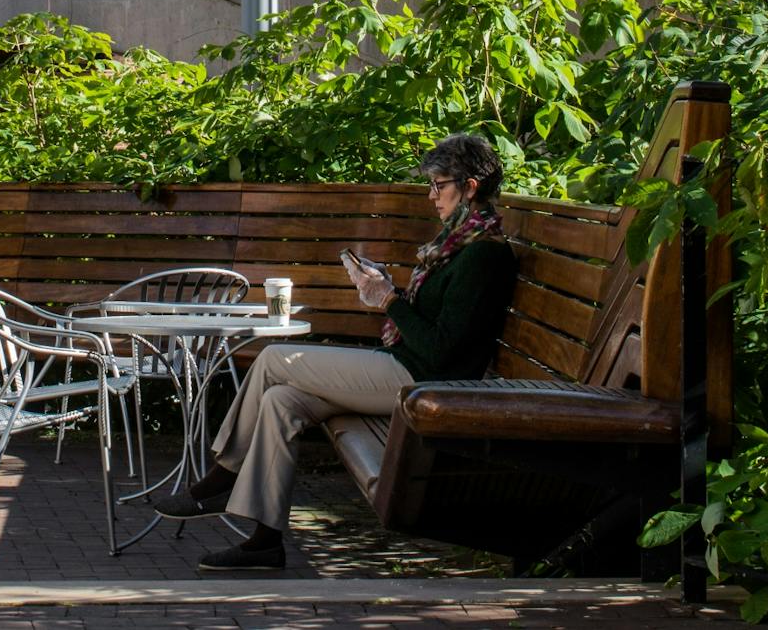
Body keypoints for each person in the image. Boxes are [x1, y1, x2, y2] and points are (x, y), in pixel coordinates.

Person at [153, 134, 519, 570]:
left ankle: (220, 479)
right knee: (281, 400)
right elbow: (436, 325)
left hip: (428, 384)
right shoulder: (458, 243)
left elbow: (441, 351)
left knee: (274, 360)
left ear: (470, 187)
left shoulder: (483, 256)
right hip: (409, 370)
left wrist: (389, 301)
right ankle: (265, 541)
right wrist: (388, 291)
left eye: (439, 185)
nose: (431, 195)